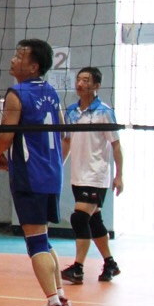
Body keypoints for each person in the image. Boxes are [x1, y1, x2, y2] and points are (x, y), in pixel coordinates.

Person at [0, 39, 70, 306]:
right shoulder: (52, 93)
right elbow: (65, 135)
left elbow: (6, 133)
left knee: (35, 241)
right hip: (51, 175)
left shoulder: (18, 93)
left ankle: (54, 305)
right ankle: (61, 297)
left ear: (34, 66)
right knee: (43, 237)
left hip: (29, 175)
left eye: (20, 56)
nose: (13, 60)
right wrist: (56, 165)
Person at [60, 67, 124, 283]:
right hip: (78, 175)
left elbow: (116, 145)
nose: (80, 83)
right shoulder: (71, 111)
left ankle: (78, 268)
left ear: (96, 85)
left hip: (97, 176)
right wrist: (58, 167)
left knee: (79, 218)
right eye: (78, 79)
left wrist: (119, 176)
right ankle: (110, 263)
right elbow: (67, 141)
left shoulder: (104, 112)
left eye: (86, 80)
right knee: (95, 221)